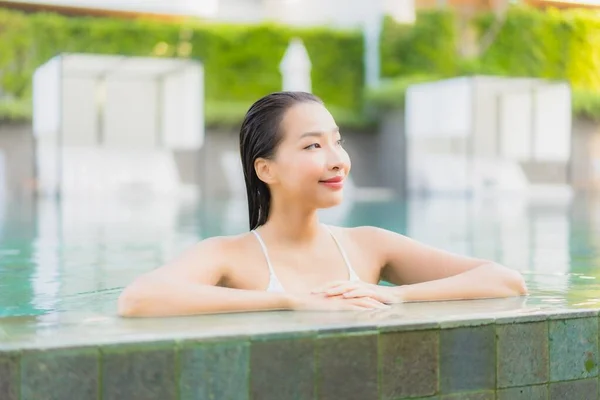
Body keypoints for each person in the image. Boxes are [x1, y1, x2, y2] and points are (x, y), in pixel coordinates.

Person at [117, 91, 528, 317]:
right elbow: (139, 299)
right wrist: (290, 300)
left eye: (337, 141)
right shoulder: (229, 256)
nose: (337, 159)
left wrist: (396, 296)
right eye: (313, 145)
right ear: (266, 169)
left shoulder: (369, 246)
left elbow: (505, 281)